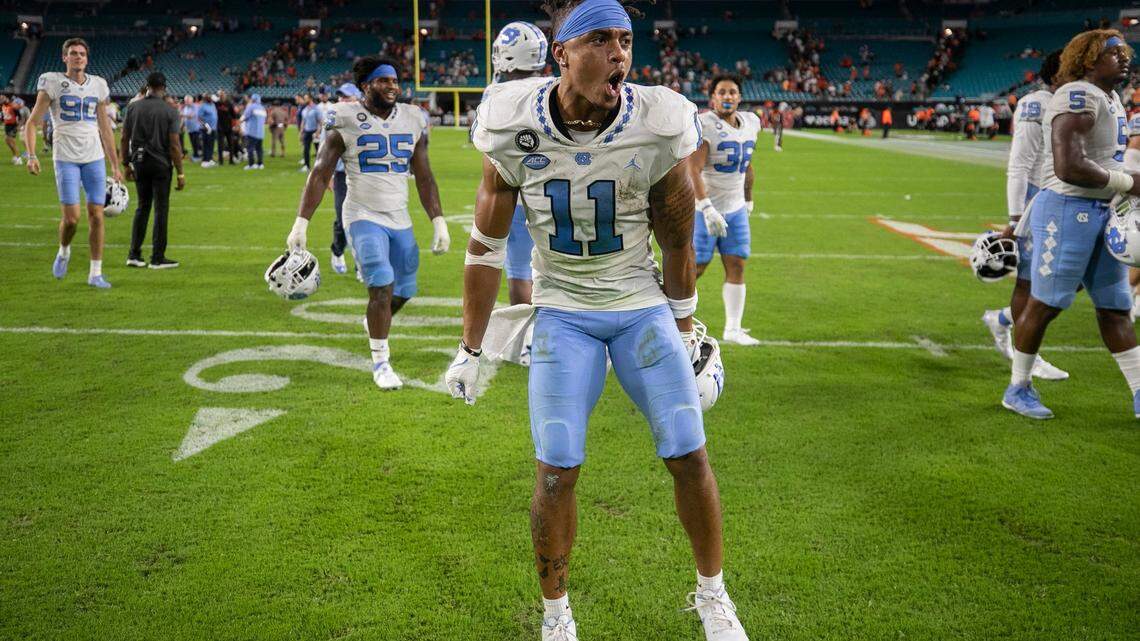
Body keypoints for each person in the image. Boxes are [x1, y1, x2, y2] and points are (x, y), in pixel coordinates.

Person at [445, 2, 749, 639]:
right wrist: (471, 348)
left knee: (689, 452)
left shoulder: (660, 120)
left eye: (626, 41)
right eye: (601, 40)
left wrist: (688, 327)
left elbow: (675, 240)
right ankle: (557, 614)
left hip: (638, 307)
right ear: (562, 54)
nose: (619, 54)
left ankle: (713, 595)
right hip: (564, 313)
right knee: (556, 469)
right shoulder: (512, 120)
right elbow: (486, 243)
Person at [284, 56, 450, 390]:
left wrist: (439, 220)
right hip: (361, 213)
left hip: (399, 216)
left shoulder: (413, 118)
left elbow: (425, 175)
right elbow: (320, 172)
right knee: (381, 282)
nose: (392, 86)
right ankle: (381, 363)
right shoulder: (342, 117)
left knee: (404, 290)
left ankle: (373, 319)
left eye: (394, 80)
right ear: (366, 86)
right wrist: (301, 222)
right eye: (383, 80)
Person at [1003, 30, 1140, 420]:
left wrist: (1126, 190)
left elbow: (1106, 162)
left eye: (1125, 52)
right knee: (1046, 304)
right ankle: (1018, 388)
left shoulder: (1111, 98)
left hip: (1102, 209)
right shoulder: (1075, 94)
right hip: (1066, 209)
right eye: (1113, 53)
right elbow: (1069, 167)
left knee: (1115, 307)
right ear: (1088, 60)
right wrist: (1131, 183)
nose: (1124, 58)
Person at [982, 51, 1067, 381]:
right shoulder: (1038, 103)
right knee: (1030, 281)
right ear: (1058, 75)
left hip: (1067, 200)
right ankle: (1024, 358)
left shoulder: (1079, 99)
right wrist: (1016, 218)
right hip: (1038, 198)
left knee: (1066, 282)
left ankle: (1002, 319)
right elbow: (1019, 164)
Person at [23, 37, 123, 288]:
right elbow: (32, 122)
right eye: (73, 53)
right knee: (72, 219)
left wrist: (115, 164)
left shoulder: (98, 85)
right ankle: (64, 251)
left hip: (94, 157)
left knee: (97, 216)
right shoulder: (53, 82)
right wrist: (32, 155)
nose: (78, 56)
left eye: (81, 53)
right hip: (65, 157)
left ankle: (95, 273)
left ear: (87, 59)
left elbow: (105, 128)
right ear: (64, 58)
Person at [691, 73, 761, 346]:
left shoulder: (751, 123)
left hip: (735, 208)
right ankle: (673, 325)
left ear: (739, 97)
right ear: (713, 98)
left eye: (732, 92)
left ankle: (733, 328)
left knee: (737, 264)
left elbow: (748, 165)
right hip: (704, 209)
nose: (728, 96)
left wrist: (748, 197)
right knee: (694, 268)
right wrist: (706, 208)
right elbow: (693, 169)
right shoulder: (705, 124)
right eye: (722, 92)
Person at [486, 20, 550, 307]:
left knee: (520, 271)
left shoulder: (496, 94)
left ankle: (524, 343)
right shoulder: (558, 88)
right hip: (559, 192)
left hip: (517, 192)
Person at [119, 71, 185, 269]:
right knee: (161, 209)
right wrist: (180, 172)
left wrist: (125, 164)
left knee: (142, 207)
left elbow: (124, 138)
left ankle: (134, 254)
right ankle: (157, 257)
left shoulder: (132, 107)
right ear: (164, 87)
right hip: (160, 163)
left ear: (146, 86)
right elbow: (174, 144)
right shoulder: (170, 110)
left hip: (139, 162)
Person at [329, 83, 362, 275]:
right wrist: (326, 176)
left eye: (347, 97)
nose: (342, 100)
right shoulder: (333, 120)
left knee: (364, 222)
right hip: (342, 175)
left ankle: (361, 265)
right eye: (341, 97)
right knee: (343, 219)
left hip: (362, 176)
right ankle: (337, 250)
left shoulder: (368, 119)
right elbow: (326, 153)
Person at [241, 94, 266, 169]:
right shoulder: (262, 108)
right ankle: (260, 164)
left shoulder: (251, 106)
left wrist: (239, 122)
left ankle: (251, 164)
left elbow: (245, 116)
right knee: (259, 149)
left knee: (250, 148)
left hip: (251, 131)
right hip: (260, 132)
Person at [216, 91, 238, 164]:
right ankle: (220, 161)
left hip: (229, 127)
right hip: (220, 127)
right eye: (220, 95)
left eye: (223, 95)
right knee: (220, 145)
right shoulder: (216, 104)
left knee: (230, 144)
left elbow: (234, 115)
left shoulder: (229, 104)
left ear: (225, 95)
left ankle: (231, 160)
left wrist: (234, 125)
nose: (222, 96)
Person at [299, 94, 320, 171]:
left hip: (315, 131)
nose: (304, 100)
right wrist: (301, 132)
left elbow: (320, 121)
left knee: (318, 150)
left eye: (306, 98)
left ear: (310, 99)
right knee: (306, 149)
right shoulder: (304, 110)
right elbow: (303, 121)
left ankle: (319, 167)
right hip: (307, 131)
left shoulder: (316, 109)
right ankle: (306, 166)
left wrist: (318, 132)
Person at [198, 94, 218, 167]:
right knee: (206, 144)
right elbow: (200, 118)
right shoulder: (203, 106)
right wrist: (206, 126)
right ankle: (205, 160)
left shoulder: (212, 105)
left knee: (211, 145)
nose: (210, 99)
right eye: (208, 97)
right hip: (206, 129)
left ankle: (210, 159)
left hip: (213, 128)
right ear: (206, 99)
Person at [2, 95, 22, 164]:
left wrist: (18, 126)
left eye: (2, 98)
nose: (1, 99)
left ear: (7, 98)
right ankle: (15, 156)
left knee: (12, 142)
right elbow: (4, 116)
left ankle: (19, 158)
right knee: (7, 141)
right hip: (7, 126)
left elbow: (19, 116)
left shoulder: (12, 106)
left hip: (12, 125)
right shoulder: (3, 106)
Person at [180, 95, 200, 160]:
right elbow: (184, 119)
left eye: (188, 100)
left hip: (196, 128)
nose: (186, 102)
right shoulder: (185, 108)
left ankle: (196, 156)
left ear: (191, 100)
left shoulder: (195, 106)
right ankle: (195, 154)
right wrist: (181, 126)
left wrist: (182, 115)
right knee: (192, 142)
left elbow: (191, 116)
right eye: (186, 101)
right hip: (189, 129)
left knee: (195, 142)